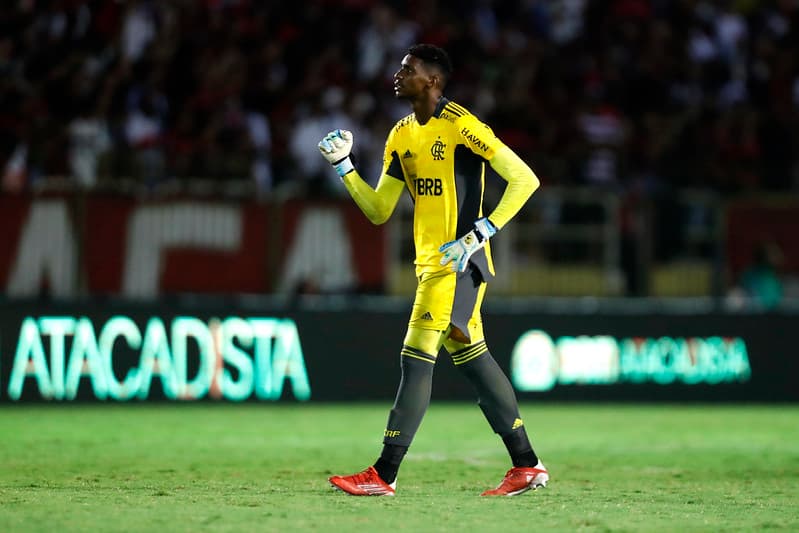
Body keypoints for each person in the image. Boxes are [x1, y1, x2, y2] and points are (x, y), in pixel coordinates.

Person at [317, 44, 546, 497]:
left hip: (459, 264)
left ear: (433, 81)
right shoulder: (401, 134)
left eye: (409, 69)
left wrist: (481, 230)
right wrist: (345, 169)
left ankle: (384, 472)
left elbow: (525, 178)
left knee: (415, 355)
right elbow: (380, 210)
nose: (398, 75)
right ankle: (527, 464)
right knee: (472, 357)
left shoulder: (461, 125)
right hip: (431, 266)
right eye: (400, 67)